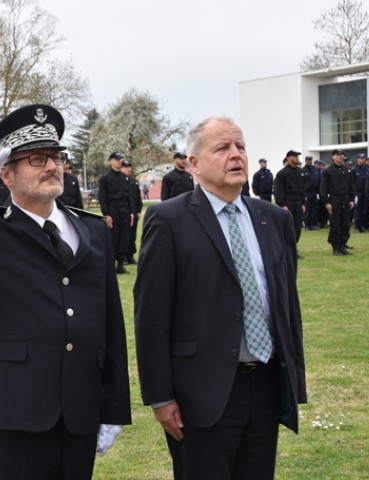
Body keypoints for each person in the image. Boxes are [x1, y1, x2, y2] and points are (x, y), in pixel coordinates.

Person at [0, 104, 131, 479]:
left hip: (80, 409)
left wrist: (113, 407)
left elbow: (110, 322)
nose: (51, 166)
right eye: (36, 159)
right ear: (6, 174)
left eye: (55, 157)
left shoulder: (92, 230)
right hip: (18, 412)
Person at [134, 116, 306, 480]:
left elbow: (287, 306)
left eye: (240, 146)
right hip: (201, 393)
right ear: (193, 164)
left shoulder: (273, 218)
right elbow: (151, 317)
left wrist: (294, 377)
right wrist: (160, 397)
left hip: (265, 384)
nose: (236, 155)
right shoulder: (169, 220)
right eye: (223, 148)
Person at [98, 152, 133, 274]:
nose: (119, 161)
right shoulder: (105, 178)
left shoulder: (124, 178)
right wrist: (106, 214)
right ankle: (111, 265)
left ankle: (121, 264)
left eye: (120, 159)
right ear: (110, 161)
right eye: (117, 159)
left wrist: (131, 212)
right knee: (113, 239)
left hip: (124, 211)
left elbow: (128, 196)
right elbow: (102, 197)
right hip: (112, 211)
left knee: (124, 239)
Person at [321, 149, 355, 256]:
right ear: (333, 157)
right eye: (338, 155)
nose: (341, 156)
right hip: (334, 200)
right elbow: (323, 188)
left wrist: (352, 199)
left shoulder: (348, 169)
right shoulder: (328, 171)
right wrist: (326, 202)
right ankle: (336, 247)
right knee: (335, 225)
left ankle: (343, 246)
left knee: (345, 225)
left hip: (345, 199)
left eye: (342, 155)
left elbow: (352, 186)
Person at [273, 150, 306, 257]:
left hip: (298, 203)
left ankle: (293, 249)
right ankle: (287, 251)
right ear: (288, 158)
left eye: (297, 156)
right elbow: (278, 191)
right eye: (294, 156)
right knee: (288, 229)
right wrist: (282, 205)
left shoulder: (300, 172)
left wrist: (303, 203)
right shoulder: (282, 174)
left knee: (297, 228)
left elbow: (302, 189)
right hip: (288, 203)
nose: (297, 158)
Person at [121, 159, 143, 264]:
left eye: (129, 167)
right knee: (124, 236)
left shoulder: (134, 182)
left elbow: (138, 198)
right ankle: (123, 257)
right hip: (123, 212)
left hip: (134, 211)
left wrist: (138, 211)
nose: (128, 169)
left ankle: (130, 255)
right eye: (126, 167)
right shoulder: (119, 182)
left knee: (132, 235)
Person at [352, 154, 369, 232]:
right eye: (361, 158)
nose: (363, 160)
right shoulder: (354, 170)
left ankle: (362, 226)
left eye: (363, 158)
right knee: (358, 210)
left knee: (364, 210)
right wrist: (354, 194)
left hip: (365, 192)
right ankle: (357, 227)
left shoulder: (367, 169)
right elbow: (352, 183)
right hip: (358, 193)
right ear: (357, 159)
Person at [302, 156, 319, 230]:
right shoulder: (303, 170)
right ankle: (307, 225)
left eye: (311, 160)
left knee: (314, 209)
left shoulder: (315, 169)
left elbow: (317, 180)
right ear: (305, 161)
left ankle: (313, 224)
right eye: (308, 160)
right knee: (307, 209)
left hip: (314, 192)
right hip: (306, 193)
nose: (310, 161)